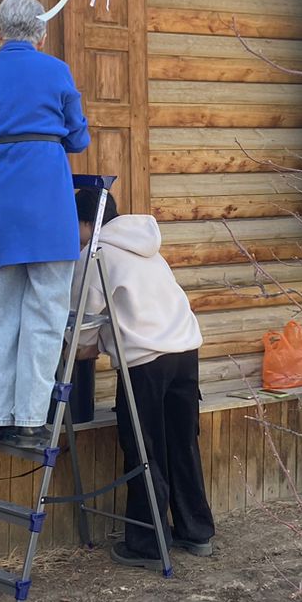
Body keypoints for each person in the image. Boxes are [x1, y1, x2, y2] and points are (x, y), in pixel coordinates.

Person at [0, 0, 90, 450]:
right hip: (51, 215)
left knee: (0, 319)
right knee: (46, 318)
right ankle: (30, 420)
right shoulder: (57, 72)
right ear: (41, 35)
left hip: (1, 219)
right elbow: (79, 140)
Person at [72, 187, 215, 570]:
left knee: (143, 448)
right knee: (182, 442)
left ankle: (148, 542)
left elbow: (85, 317)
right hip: (185, 350)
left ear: (87, 222)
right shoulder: (146, 247)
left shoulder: (96, 253)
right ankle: (195, 530)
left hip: (145, 360)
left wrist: (81, 345)